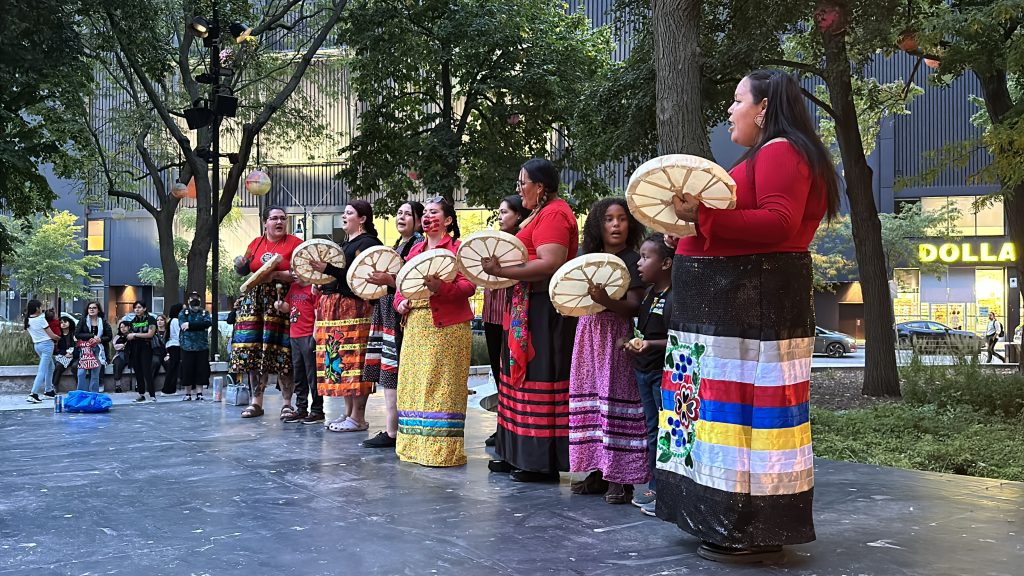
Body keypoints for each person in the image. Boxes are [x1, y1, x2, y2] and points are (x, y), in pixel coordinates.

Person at [658, 69, 840, 563]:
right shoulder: (769, 152)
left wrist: (701, 219)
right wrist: (692, 231)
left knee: (738, 416)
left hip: (746, 311)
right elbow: (746, 224)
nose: (730, 111)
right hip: (726, 313)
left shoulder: (781, 151)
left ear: (763, 108)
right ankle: (722, 517)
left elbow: (779, 222)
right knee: (716, 413)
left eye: (738, 100)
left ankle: (744, 525)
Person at [479, 158, 580, 483]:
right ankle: (516, 453)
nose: (519, 188)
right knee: (514, 380)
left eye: (523, 182)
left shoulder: (554, 214)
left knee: (538, 378)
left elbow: (550, 263)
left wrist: (501, 272)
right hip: (524, 306)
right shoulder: (539, 213)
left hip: (543, 309)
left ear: (541, 186)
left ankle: (540, 462)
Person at [568, 198, 647, 504]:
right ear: (597, 226)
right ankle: (597, 471)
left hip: (616, 334)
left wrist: (605, 299)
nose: (616, 224)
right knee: (591, 398)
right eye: (609, 219)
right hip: (588, 333)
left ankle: (621, 478)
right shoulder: (586, 256)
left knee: (614, 399)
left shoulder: (632, 259)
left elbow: (634, 305)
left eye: (622, 219)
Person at [393, 197, 475, 466]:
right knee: (414, 385)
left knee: (442, 387)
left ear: (448, 220)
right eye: (425, 213)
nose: (428, 217)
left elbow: (468, 287)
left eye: (434, 212)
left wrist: (440, 288)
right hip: (416, 326)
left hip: (447, 329)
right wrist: (400, 303)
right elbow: (400, 288)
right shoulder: (414, 251)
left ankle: (441, 452)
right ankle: (414, 447)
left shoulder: (457, 249)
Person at [308, 200, 382, 431]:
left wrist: (327, 270)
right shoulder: (343, 243)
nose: (343, 216)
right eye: (344, 212)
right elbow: (337, 275)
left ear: (362, 219)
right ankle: (348, 413)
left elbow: (358, 276)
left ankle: (358, 417)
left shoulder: (368, 243)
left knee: (355, 360)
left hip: (354, 308)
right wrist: (321, 283)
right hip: (334, 309)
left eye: (349, 213)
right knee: (339, 360)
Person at [361, 201, 424, 447]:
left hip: (400, 314)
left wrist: (388, 279)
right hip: (388, 311)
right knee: (389, 371)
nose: (401, 217)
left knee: (395, 370)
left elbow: (413, 282)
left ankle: (394, 431)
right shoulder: (399, 246)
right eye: (399, 213)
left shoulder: (418, 245)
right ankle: (391, 428)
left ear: (418, 220)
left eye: (408, 214)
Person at [231, 205, 302, 418]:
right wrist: (240, 263)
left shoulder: (296, 243)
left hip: (282, 300)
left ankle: (287, 403)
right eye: (274, 218)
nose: (279, 222)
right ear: (265, 222)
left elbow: (303, 272)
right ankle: (256, 402)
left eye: (282, 218)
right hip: (255, 304)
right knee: (254, 351)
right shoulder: (255, 243)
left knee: (283, 350)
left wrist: (276, 275)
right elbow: (243, 269)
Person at [625, 233, 674, 516]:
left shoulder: (673, 298)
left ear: (666, 262)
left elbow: (678, 339)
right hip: (642, 371)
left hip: (661, 374)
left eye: (646, 257)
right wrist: (630, 343)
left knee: (662, 432)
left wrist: (649, 345)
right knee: (650, 429)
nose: (639, 264)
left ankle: (660, 489)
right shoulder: (648, 294)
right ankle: (654, 485)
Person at [481, 195, 531, 447]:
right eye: (499, 212)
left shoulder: (522, 244)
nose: (500, 217)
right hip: (491, 314)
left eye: (504, 213)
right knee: (497, 373)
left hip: (511, 316)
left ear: (519, 216)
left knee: (510, 374)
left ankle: (511, 428)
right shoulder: (493, 242)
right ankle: (501, 425)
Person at [278, 277, 324, 423]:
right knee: (299, 374)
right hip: (294, 335)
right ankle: (301, 408)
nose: (294, 273)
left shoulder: (313, 287)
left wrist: (315, 333)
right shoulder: (293, 287)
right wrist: (279, 305)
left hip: (308, 335)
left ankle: (317, 410)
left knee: (312, 374)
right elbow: (287, 307)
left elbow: (318, 312)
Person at [178, 292, 212, 401]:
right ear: (188, 301)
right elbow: (183, 326)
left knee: (201, 370)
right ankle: (187, 394)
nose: (195, 302)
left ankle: (199, 393)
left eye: (197, 299)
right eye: (192, 299)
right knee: (187, 370)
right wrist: (197, 326)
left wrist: (190, 325)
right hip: (187, 347)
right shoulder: (183, 313)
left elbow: (207, 324)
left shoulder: (204, 313)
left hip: (202, 346)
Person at [25, 299, 59, 403]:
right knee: (42, 370)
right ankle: (33, 394)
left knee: (50, 367)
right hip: (47, 345)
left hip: (37, 345)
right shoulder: (41, 319)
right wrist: (58, 338)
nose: (42, 308)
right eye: (40, 307)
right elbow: (51, 335)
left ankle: (48, 391)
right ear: (37, 308)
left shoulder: (28, 320)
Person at [75, 301, 112, 393]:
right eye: (89, 308)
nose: (91, 309)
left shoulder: (103, 321)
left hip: (99, 349)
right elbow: (77, 334)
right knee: (81, 373)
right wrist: (91, 336)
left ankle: (93, 395)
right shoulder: (83, 320)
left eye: (94, 308)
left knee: (95, 375)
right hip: (85, 350)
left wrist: (99, 339)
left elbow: (109, 336)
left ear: (98, 310)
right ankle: (81, 394)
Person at [127, 301, 158, 402]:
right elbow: (128, 334)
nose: (137, 309)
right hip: (135, 347)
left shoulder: (151, 319)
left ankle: (152, 395)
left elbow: (150, 334)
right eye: (135, 308)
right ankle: (141, 394)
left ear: (144, 308)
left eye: (139, 307)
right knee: (138, 371)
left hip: (146, 346)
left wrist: (135, 335)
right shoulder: (133, 321)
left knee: (146, 371)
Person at [159, 304, 183, 395]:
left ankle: (171, 389)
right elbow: (178, 334)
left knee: (174, 367)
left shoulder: (171, 320)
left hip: (172, 345)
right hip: (175, 345)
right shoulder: (176, 321)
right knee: (173, 368)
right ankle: (166, 389)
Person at [51, 315, 78, 395]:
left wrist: (73, 354)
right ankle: (54, 385)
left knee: (75, 366)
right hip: (63, 357)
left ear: (70, 322)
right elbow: (57, 349)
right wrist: (65, 353)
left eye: (65, 322)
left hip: (74, 356)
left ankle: (79, 386)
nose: (63, 324)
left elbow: (78, 346)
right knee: (58, 366)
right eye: (61, 322)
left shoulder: (74, 334)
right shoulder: (58, 335)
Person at [111, 321, 132, 393]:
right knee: (117, 364)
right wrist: (124, 346)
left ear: (129, 327)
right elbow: (116, 346)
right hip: (120, 354)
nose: (123, 329)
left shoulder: (133, 335)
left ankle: (137, 384)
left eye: (125, 326)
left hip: (131, 354)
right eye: (121, 327)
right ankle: (118, 385)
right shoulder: (117, 337)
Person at [150, 314, 169, 389]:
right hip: (156, 352)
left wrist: (168, 354)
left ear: (165, 321)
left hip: (166, 353)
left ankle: (168, 387)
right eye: (157, 320)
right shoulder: (153, 332)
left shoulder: (168, 332)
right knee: (155, 362)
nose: (159, 322)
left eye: (161, 320)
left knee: (169, 364)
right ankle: (150, 386)